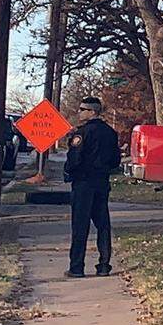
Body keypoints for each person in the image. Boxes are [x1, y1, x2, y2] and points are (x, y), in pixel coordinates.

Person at [64, 97, 121, 278]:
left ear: (92, 112)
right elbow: (115, 161)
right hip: (102, 182)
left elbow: (74, 159)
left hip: (83, 183)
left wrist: (69, 172)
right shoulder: (110, 133)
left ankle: (77, 267)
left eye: (82, 109)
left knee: (80, 226)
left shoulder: (82, 134)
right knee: (103, 224)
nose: (79, 112)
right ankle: (104, 265)